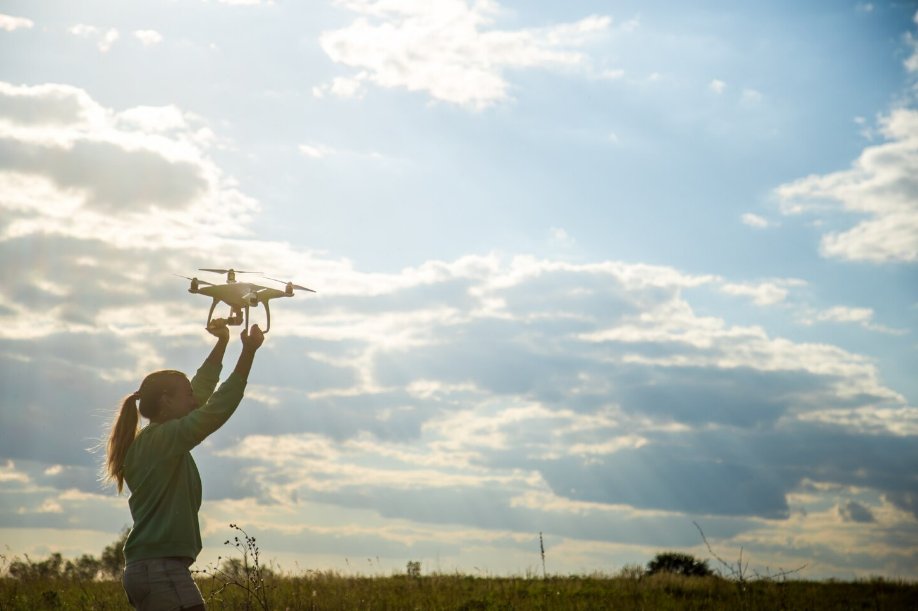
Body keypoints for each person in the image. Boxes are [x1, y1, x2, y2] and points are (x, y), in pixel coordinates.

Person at [104, 319, 265, 611]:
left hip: (150, 568)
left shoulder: (154, 440)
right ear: (166, 402)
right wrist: (248, 353)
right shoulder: (163, 440)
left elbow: (200, 393)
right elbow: (215, 409)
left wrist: (222, 343)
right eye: (186, 395)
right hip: (160, 569)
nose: (194, 400)